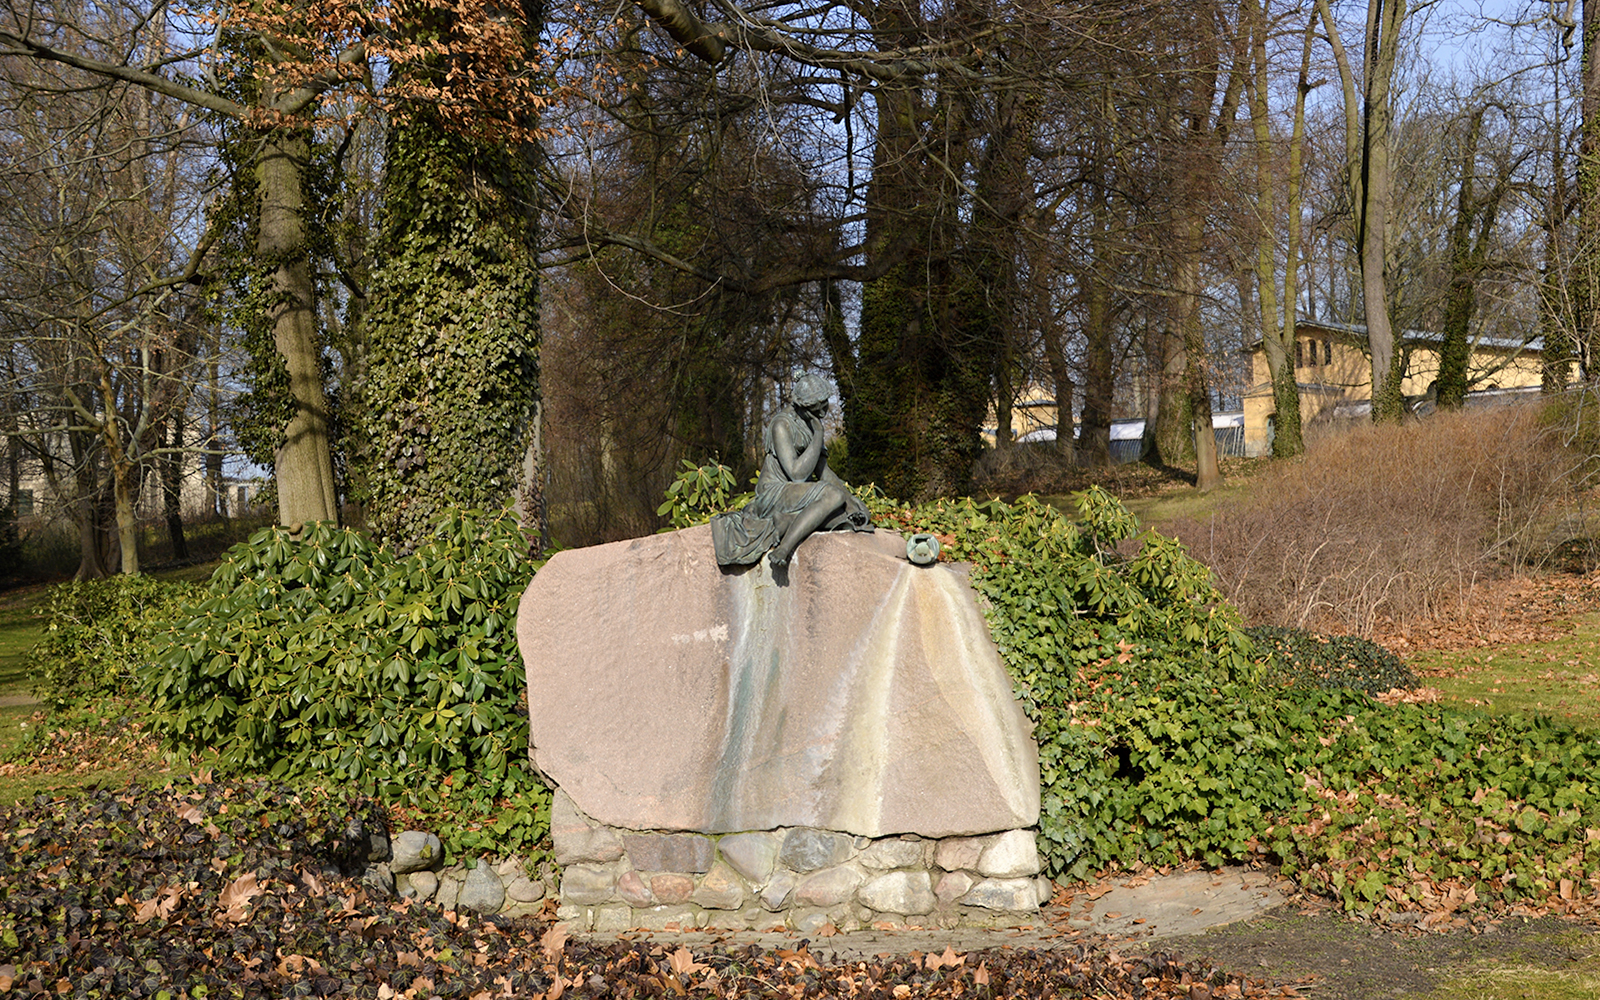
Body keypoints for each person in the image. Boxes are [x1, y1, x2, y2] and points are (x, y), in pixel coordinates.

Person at [711, 374, 873, 567]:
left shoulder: (811, 424)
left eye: (825, 404)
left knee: (851, 515)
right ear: (801, 406)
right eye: (816, 407)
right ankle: (784, 548)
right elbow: (797, 475)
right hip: (774, 492)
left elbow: (823, 472)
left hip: (796, 495)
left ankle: (788, 521)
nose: (822, 412)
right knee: (833, 497)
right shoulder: (782, 424)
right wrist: (819, 434)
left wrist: (851, 499)